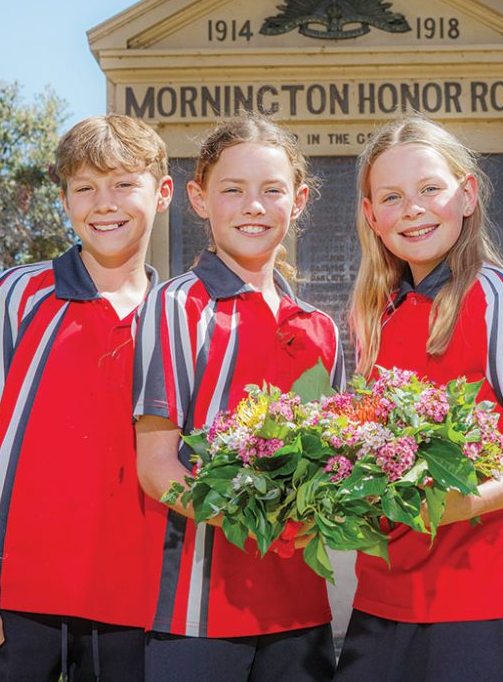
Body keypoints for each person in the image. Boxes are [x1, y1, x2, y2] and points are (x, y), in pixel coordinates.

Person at [0, 114, 174, 680]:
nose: (104, 203)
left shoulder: (180, 316)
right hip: (13, 599)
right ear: (64, 199)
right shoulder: (16, 295)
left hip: (140, 609)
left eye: (123, 184)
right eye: (85, 187)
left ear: (163, 193)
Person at [333, 116, 503, 682]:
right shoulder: (374, 315)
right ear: (371, 215)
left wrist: (465, 502)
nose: (412, 208)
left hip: (477, 600)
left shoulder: (499, 296)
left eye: (429, 189)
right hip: (383, 596)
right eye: (392, 197)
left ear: (466, 195)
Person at [132, 116, 345, 682]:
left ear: (298, 201)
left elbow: (333, 464)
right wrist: (254, 517)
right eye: (233, 190)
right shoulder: (177, 307)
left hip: (301, 613)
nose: (254, 206)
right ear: (200, 200)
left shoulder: (321, 328)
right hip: (195, 615)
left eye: (272, 190)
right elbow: (155, 466)